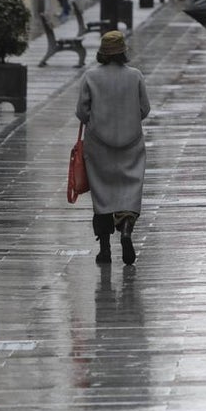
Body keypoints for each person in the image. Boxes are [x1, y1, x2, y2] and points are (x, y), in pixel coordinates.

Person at [76, 31, 151, 265]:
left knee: (103, 194)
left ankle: (105, 249)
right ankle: (127, 229)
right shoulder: (135, 76)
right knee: (129, 189)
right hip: (131, 143)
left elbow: (81, 112)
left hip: (98, 146)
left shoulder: (90, 77)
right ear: (123, 51)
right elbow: (145, 109)